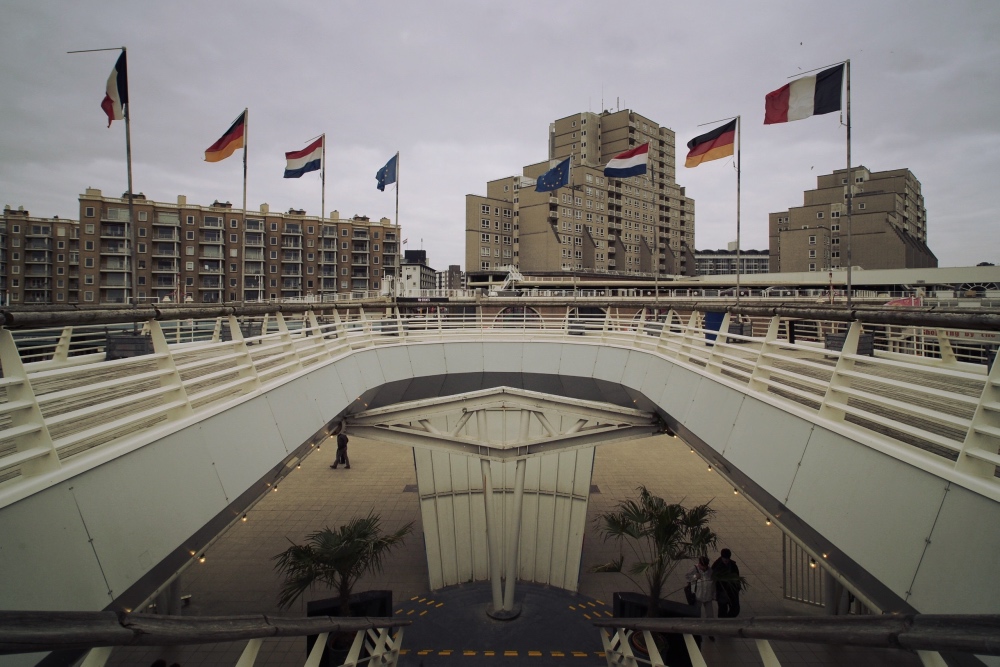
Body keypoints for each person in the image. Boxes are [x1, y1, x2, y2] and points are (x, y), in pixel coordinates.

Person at [686, 555, 715, 631]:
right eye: (703, 566)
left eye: (706, 566)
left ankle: (709, 630)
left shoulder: (710, 571)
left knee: (710, 615)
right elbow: (687, 577)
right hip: (697, 596)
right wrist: (695, 576)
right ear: (699, 564)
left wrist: (714, 595)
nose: (704, 568)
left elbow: (713, 584)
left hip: (708, 596)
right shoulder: (694, 569)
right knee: (696, 614)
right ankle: (695, 629)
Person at [712, 548, 742, 618]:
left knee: (735, 609)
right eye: (724, 558)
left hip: (732, 590)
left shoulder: (733, 565)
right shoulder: (717, 565)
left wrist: (737, 587)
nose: (726, 560)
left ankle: (728, 619)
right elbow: (713, 577)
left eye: (727, 559)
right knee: (722, 609)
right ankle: (723, 622)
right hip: (722, 591)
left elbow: (736, 576)